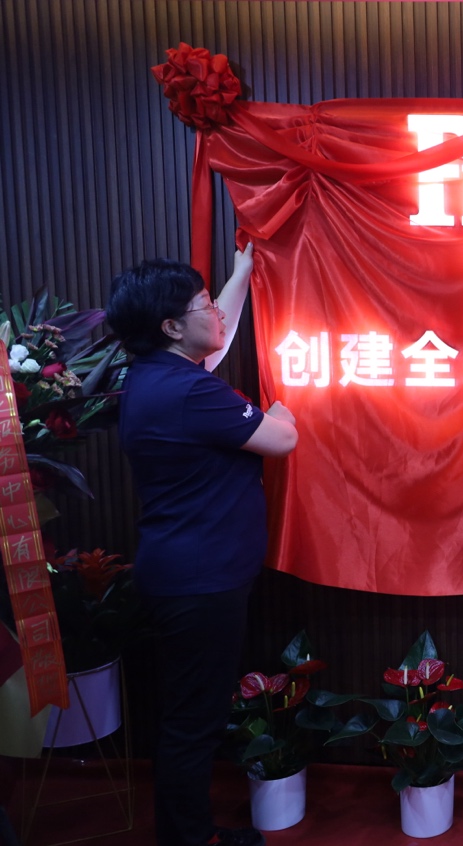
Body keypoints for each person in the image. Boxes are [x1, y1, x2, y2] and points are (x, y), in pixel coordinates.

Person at [107, 244, 298, 846]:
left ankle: (189, 833)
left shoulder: (157, 375)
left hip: (186, 572)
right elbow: (280, 441)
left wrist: (241, 274)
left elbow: (218, 334)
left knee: (190, 715)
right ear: (171, 327)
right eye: (203, 304)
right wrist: (283, 406)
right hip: (199, 580)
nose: (215, 312)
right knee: (193, 722)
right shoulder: (188, 391)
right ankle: (191, 839)